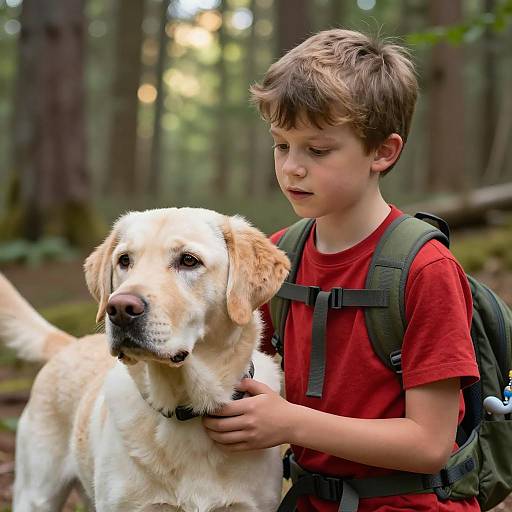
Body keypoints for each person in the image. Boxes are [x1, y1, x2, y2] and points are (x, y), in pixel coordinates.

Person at [202, 29, 480, 511]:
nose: (291, 168)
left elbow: (430, 443)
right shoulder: (276, 259)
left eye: (317, 149)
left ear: (383, 152)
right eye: (281, 145)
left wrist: (290, 423)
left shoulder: (424, 269)